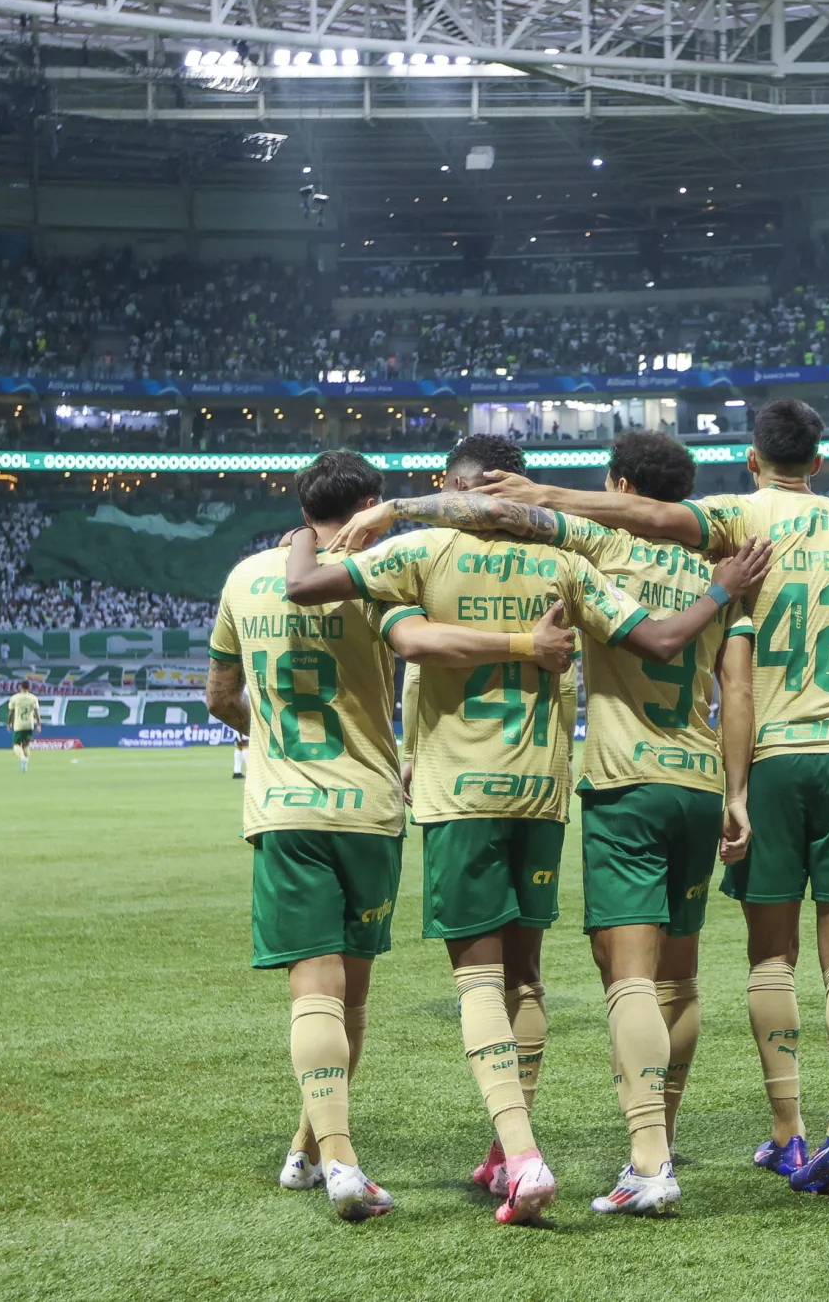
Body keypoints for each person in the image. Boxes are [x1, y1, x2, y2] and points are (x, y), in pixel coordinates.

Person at [284, 437, 769, 1227]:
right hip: (552, 791)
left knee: (483, 978)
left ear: (455, 489)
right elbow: (666, 642)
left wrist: (322, 527)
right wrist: (719, 589)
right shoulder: (568, 563)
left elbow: (313, 589)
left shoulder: (425, 549)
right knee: (534, 978)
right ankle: (587, 1146)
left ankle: (523, 1151)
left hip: (468, 790)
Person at [479, 397, 829, 1199]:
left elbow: (649, 522)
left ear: (752, 460)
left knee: (764, 957)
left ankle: (773, 1135)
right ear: (819, 460)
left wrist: (542, 496)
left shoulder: (733, 524)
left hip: (753, 757)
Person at [206, 450, 577, 1225]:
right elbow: (424, 644)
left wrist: (266, 734)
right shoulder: (382, 577)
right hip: (369, 806)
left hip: (284, 806)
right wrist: (520, 645)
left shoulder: (243, 579)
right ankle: (325, 1153)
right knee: (351, 994)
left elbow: (220, 695)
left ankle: (325, 1153)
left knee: (315, 991)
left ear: (304, 507)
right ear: (372, 501)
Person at [5, 679, 41, 770]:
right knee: (26, 745)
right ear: (29, 687)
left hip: (19, 725)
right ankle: (25, 764)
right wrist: (39, 724)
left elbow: (11, 712)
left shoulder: (15, 698)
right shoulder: (33, 698)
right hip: (29, 724)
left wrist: (9, 723)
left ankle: (23, 758)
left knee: (16, 745)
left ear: (20, 687)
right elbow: (36, 712)